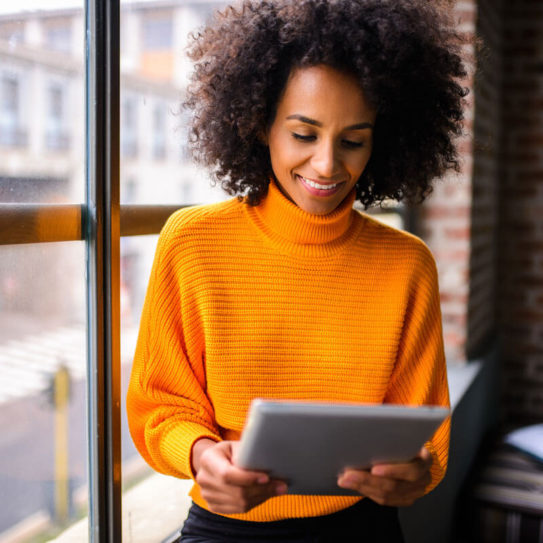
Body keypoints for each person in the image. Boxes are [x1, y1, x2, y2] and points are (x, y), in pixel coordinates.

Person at [126, 0, 467, 541]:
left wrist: (417, 474)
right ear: (260, 124)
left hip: (364, 528)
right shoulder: (192, 242)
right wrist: (198, 454)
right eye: (304, 135)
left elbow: (426, 436)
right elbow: (161, 402)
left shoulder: (407, 264)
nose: (328, 165)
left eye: (353, 140)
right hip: (227, 529)